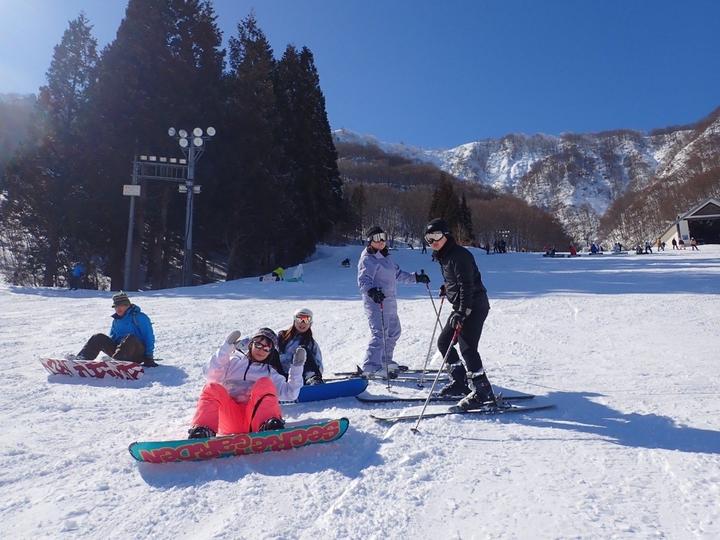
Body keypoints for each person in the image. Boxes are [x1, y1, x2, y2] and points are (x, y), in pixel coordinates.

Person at [424, 218, 496, 410]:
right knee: (444, 342)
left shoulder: (459, 255)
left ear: (446, 235)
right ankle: (460, 382)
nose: (433, 241)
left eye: (437, 236)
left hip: (474, 305)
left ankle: (483, 393)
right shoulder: (445, 255)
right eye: (429, 238)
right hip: (462, 307)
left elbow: (467, 285)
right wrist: (447, 288)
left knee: (468, 349)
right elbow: (457, 281)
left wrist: (462, 312)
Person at [187, 328, 306, 438]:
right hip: (230, 419)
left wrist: (297, 367)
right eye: (258, 344)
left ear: (270, 352)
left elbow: (291, 393)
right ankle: (202, 429)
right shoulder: (233, 363)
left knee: (265, 383)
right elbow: (211, 375)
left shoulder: (269, 372)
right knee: (211, 387)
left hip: (256, 420)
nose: (261, 350)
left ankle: (269, 426)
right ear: (251, 344)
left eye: (266, 348)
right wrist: (226, 347)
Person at [357, 225, 429, 377]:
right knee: (380, 333)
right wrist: (371, 291)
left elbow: (397, 274)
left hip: (389, 300)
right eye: (377, 238)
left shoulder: (386, 257)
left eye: (383, 237)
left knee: (394, 331)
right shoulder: (367, 259)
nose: (381, 241)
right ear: (370, 241)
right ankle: (371, 366)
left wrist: (416, 278)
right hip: (376, 302)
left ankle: (384, 360)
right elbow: (363, 280)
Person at [72, 291, 157, 366]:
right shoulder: (117, 320)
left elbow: (148, 336)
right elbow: (113, 338)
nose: (118, 308)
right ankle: (81, 359)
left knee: (130, 338)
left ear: (127, 306)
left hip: (137, 353)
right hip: (120, 354)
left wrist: (149, 356)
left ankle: (116, 361)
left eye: (122, 305)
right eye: (116, 306)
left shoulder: (140, 317)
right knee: (98, 337)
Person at [277, 308, 324, 385]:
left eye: (306, 320)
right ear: (294, 321)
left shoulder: (311, 343)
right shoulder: (281, 337)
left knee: (302, 349)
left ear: (310, 323)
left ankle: (312, 378)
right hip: (281, 375)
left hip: (300, 377)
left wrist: (316, 374)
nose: (302, 323)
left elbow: (318, 363)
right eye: (299, 319)